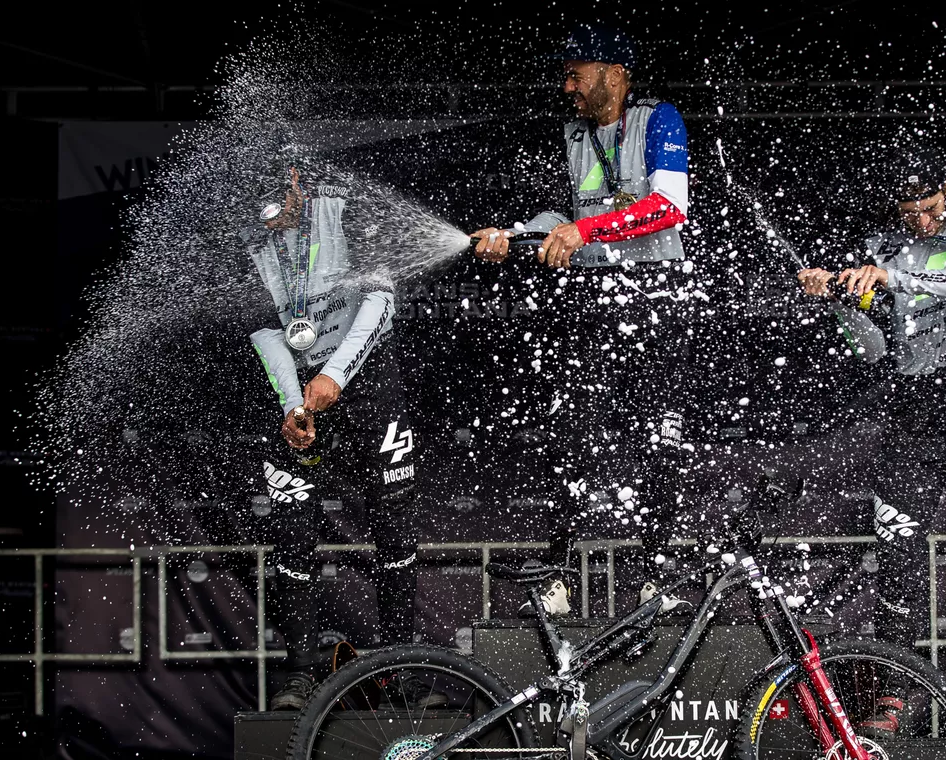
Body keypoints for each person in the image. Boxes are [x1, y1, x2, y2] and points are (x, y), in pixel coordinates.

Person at [469, 21, 696, 616]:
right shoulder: (572, 134)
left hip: (655, 292)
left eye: (577, 74)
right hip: (593, 291)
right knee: (572, 429)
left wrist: (580, 230)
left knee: (659, 438)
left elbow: (668, 208)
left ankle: (658, 573)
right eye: (566, 75)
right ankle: (556, 576)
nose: (567, 86)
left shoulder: (659, 118)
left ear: (613, 74)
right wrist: (513, 235)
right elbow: (562, 219)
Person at [797, 148, 946, 739]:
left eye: (929, 208)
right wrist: (841, 303)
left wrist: (895, 278)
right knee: (898, 566)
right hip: (911, 422)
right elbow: (874, 348)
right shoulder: (881, 247)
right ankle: (895, 693)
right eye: (911, 213)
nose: (922, 222)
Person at [240, 164, 430, 711]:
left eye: (279, 210)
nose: (272, 226)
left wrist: (336, 375)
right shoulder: (250, 239)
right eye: (262, 218)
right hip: (301, 387)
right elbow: (267, 331)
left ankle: (399, 666)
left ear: (295, 180)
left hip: (366, 375)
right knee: (292, 522)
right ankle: (299, 673)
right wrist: (292, 404)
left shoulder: (346, 207)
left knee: (394, 520)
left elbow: (382, 301)